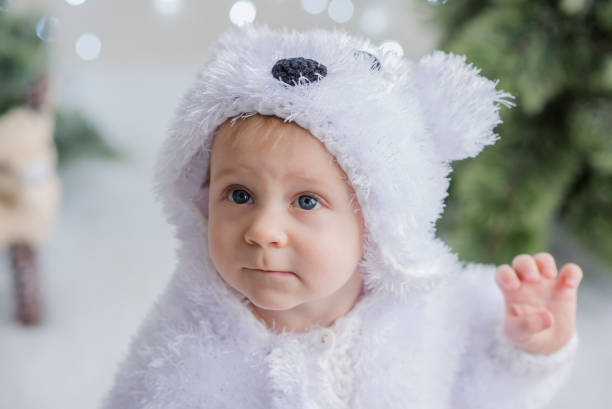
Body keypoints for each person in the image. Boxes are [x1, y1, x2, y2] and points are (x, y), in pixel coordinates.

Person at [100, 25, 583, 409]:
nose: (263, 231)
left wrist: (527, 346)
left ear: (377, 220)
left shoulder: (430, 309)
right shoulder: (188, 346)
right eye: (239, 194)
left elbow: (481, 387)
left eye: (306, 201)